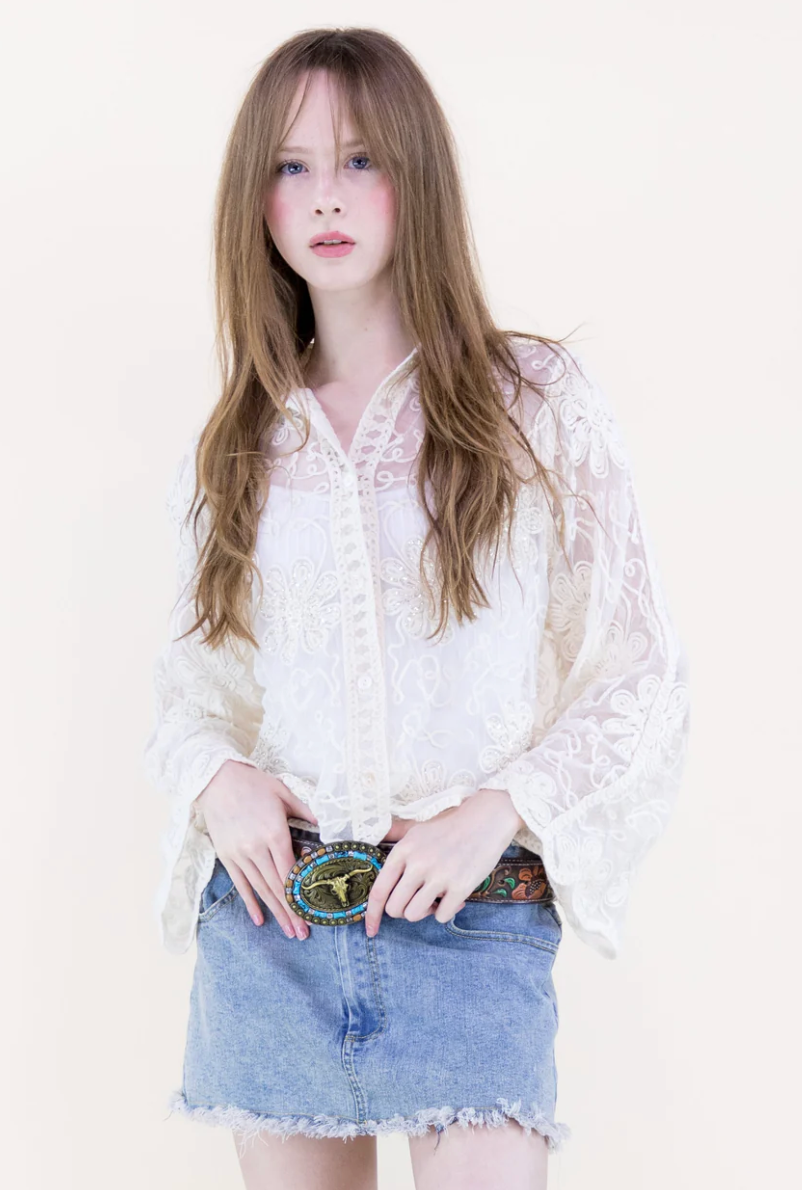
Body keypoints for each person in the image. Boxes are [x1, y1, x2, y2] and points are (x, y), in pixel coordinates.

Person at [142, 26, 690, 1190]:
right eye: (290, 166)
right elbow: (192, 687)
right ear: (257, 198)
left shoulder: (535, 403)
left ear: (417, 178)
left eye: (361, 160)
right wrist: (214, 777)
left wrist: (499, 807)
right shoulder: (244, 436)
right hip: (274, 930)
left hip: (474, 926)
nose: (325, 197)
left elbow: (641, 672)